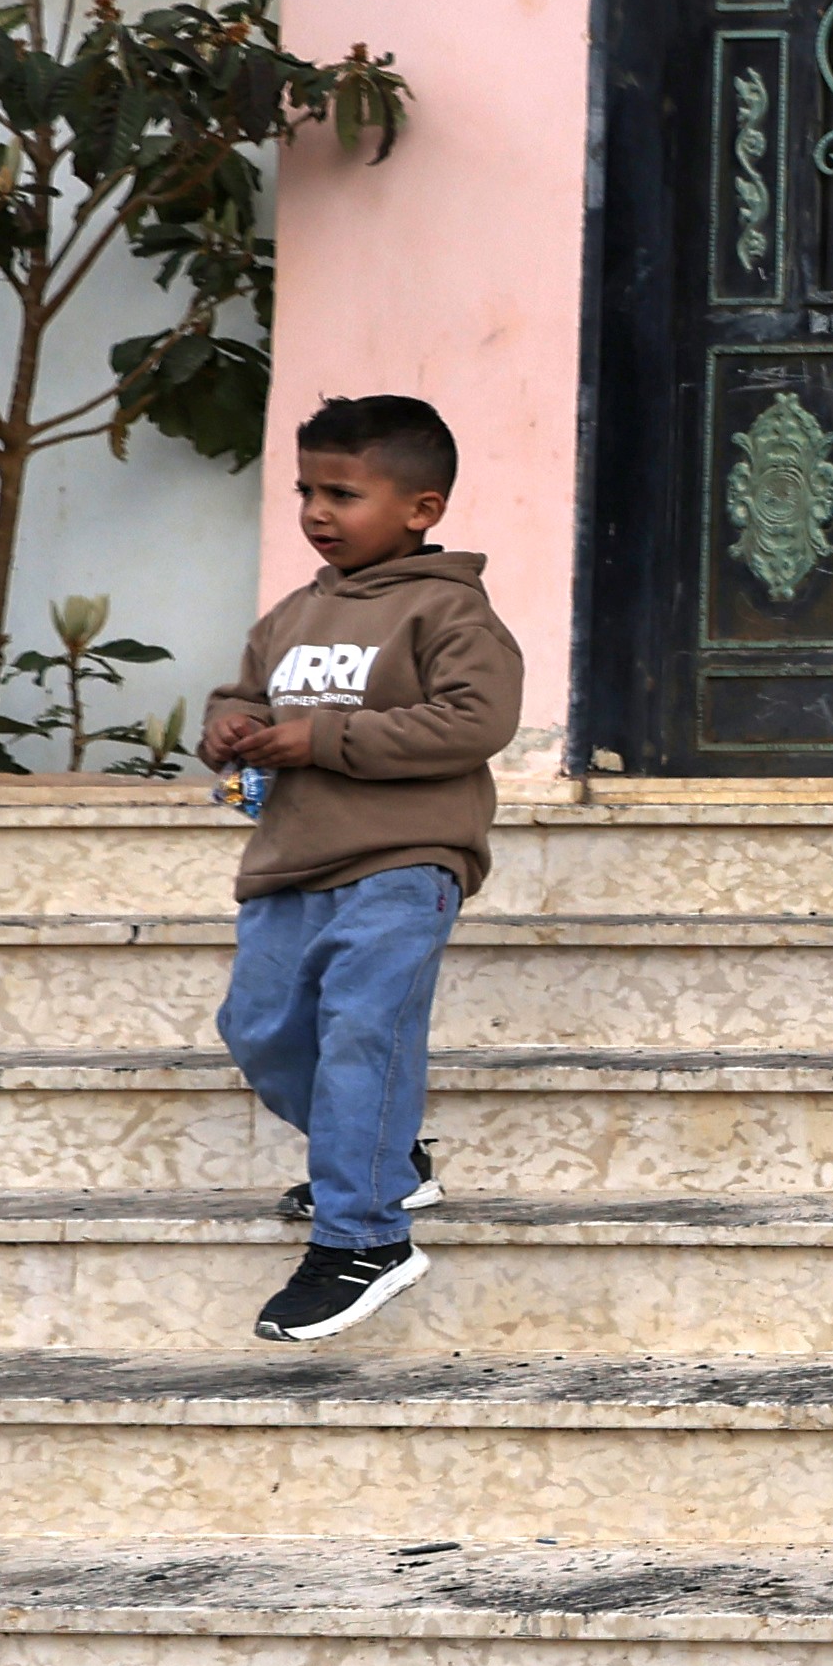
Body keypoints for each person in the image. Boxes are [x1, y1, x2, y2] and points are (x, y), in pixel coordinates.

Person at [205, 394, 520, 1345]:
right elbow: (246, 688)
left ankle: (364, 1238)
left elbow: (477, 720)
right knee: (257, 1028)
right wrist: (228, 724)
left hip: (404, 860)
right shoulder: (294, 612)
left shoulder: (450, 611)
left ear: (421, 509)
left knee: (361, 1033)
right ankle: (387, 1158)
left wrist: (326, 736)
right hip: (292, 862)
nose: (317, 511)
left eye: (343, 492)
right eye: (306, 489)